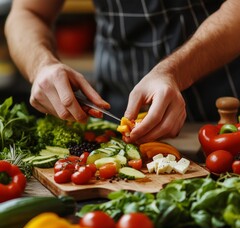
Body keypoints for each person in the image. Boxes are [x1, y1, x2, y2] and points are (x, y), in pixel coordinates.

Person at [4, 0, 240, 144]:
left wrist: (174, 72)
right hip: (114, 111)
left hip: (225, 119)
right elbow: (27, 12)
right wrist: (41, 66)